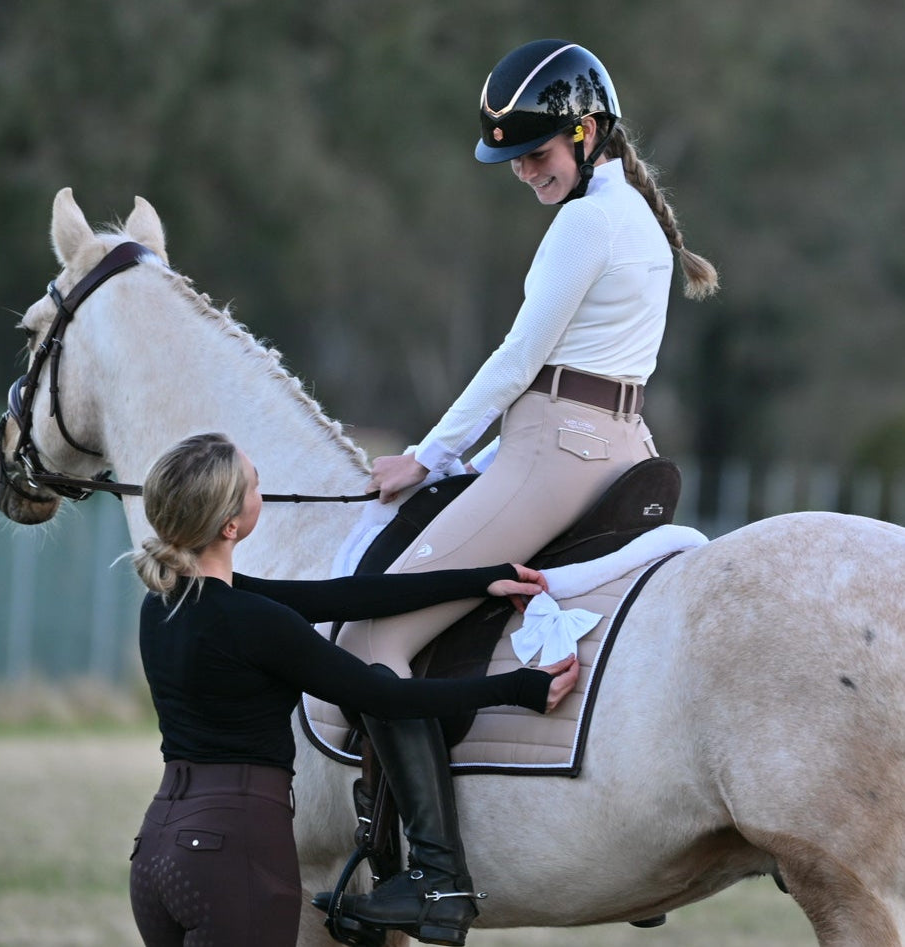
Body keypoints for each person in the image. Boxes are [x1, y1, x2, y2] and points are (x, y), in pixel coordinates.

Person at [331, 38, 719, 934]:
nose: (522, 173)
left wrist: (426, 455)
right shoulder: (633, 219)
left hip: (557, 449)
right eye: (511, 160)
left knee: (371, 639)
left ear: (586, 133)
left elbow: (516, 360)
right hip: (622, 445)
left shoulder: (586, 222)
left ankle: (436, 877)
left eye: (536, 155)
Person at [126, 432, 578, 947]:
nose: (261, 491)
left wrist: (479, 580)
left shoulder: (162, 605)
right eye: (255, 485)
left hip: (158, 849)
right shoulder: (255, 620)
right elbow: (386, 698)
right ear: (231, 525)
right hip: (232, 852)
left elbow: (339, 596)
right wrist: (519, 687)